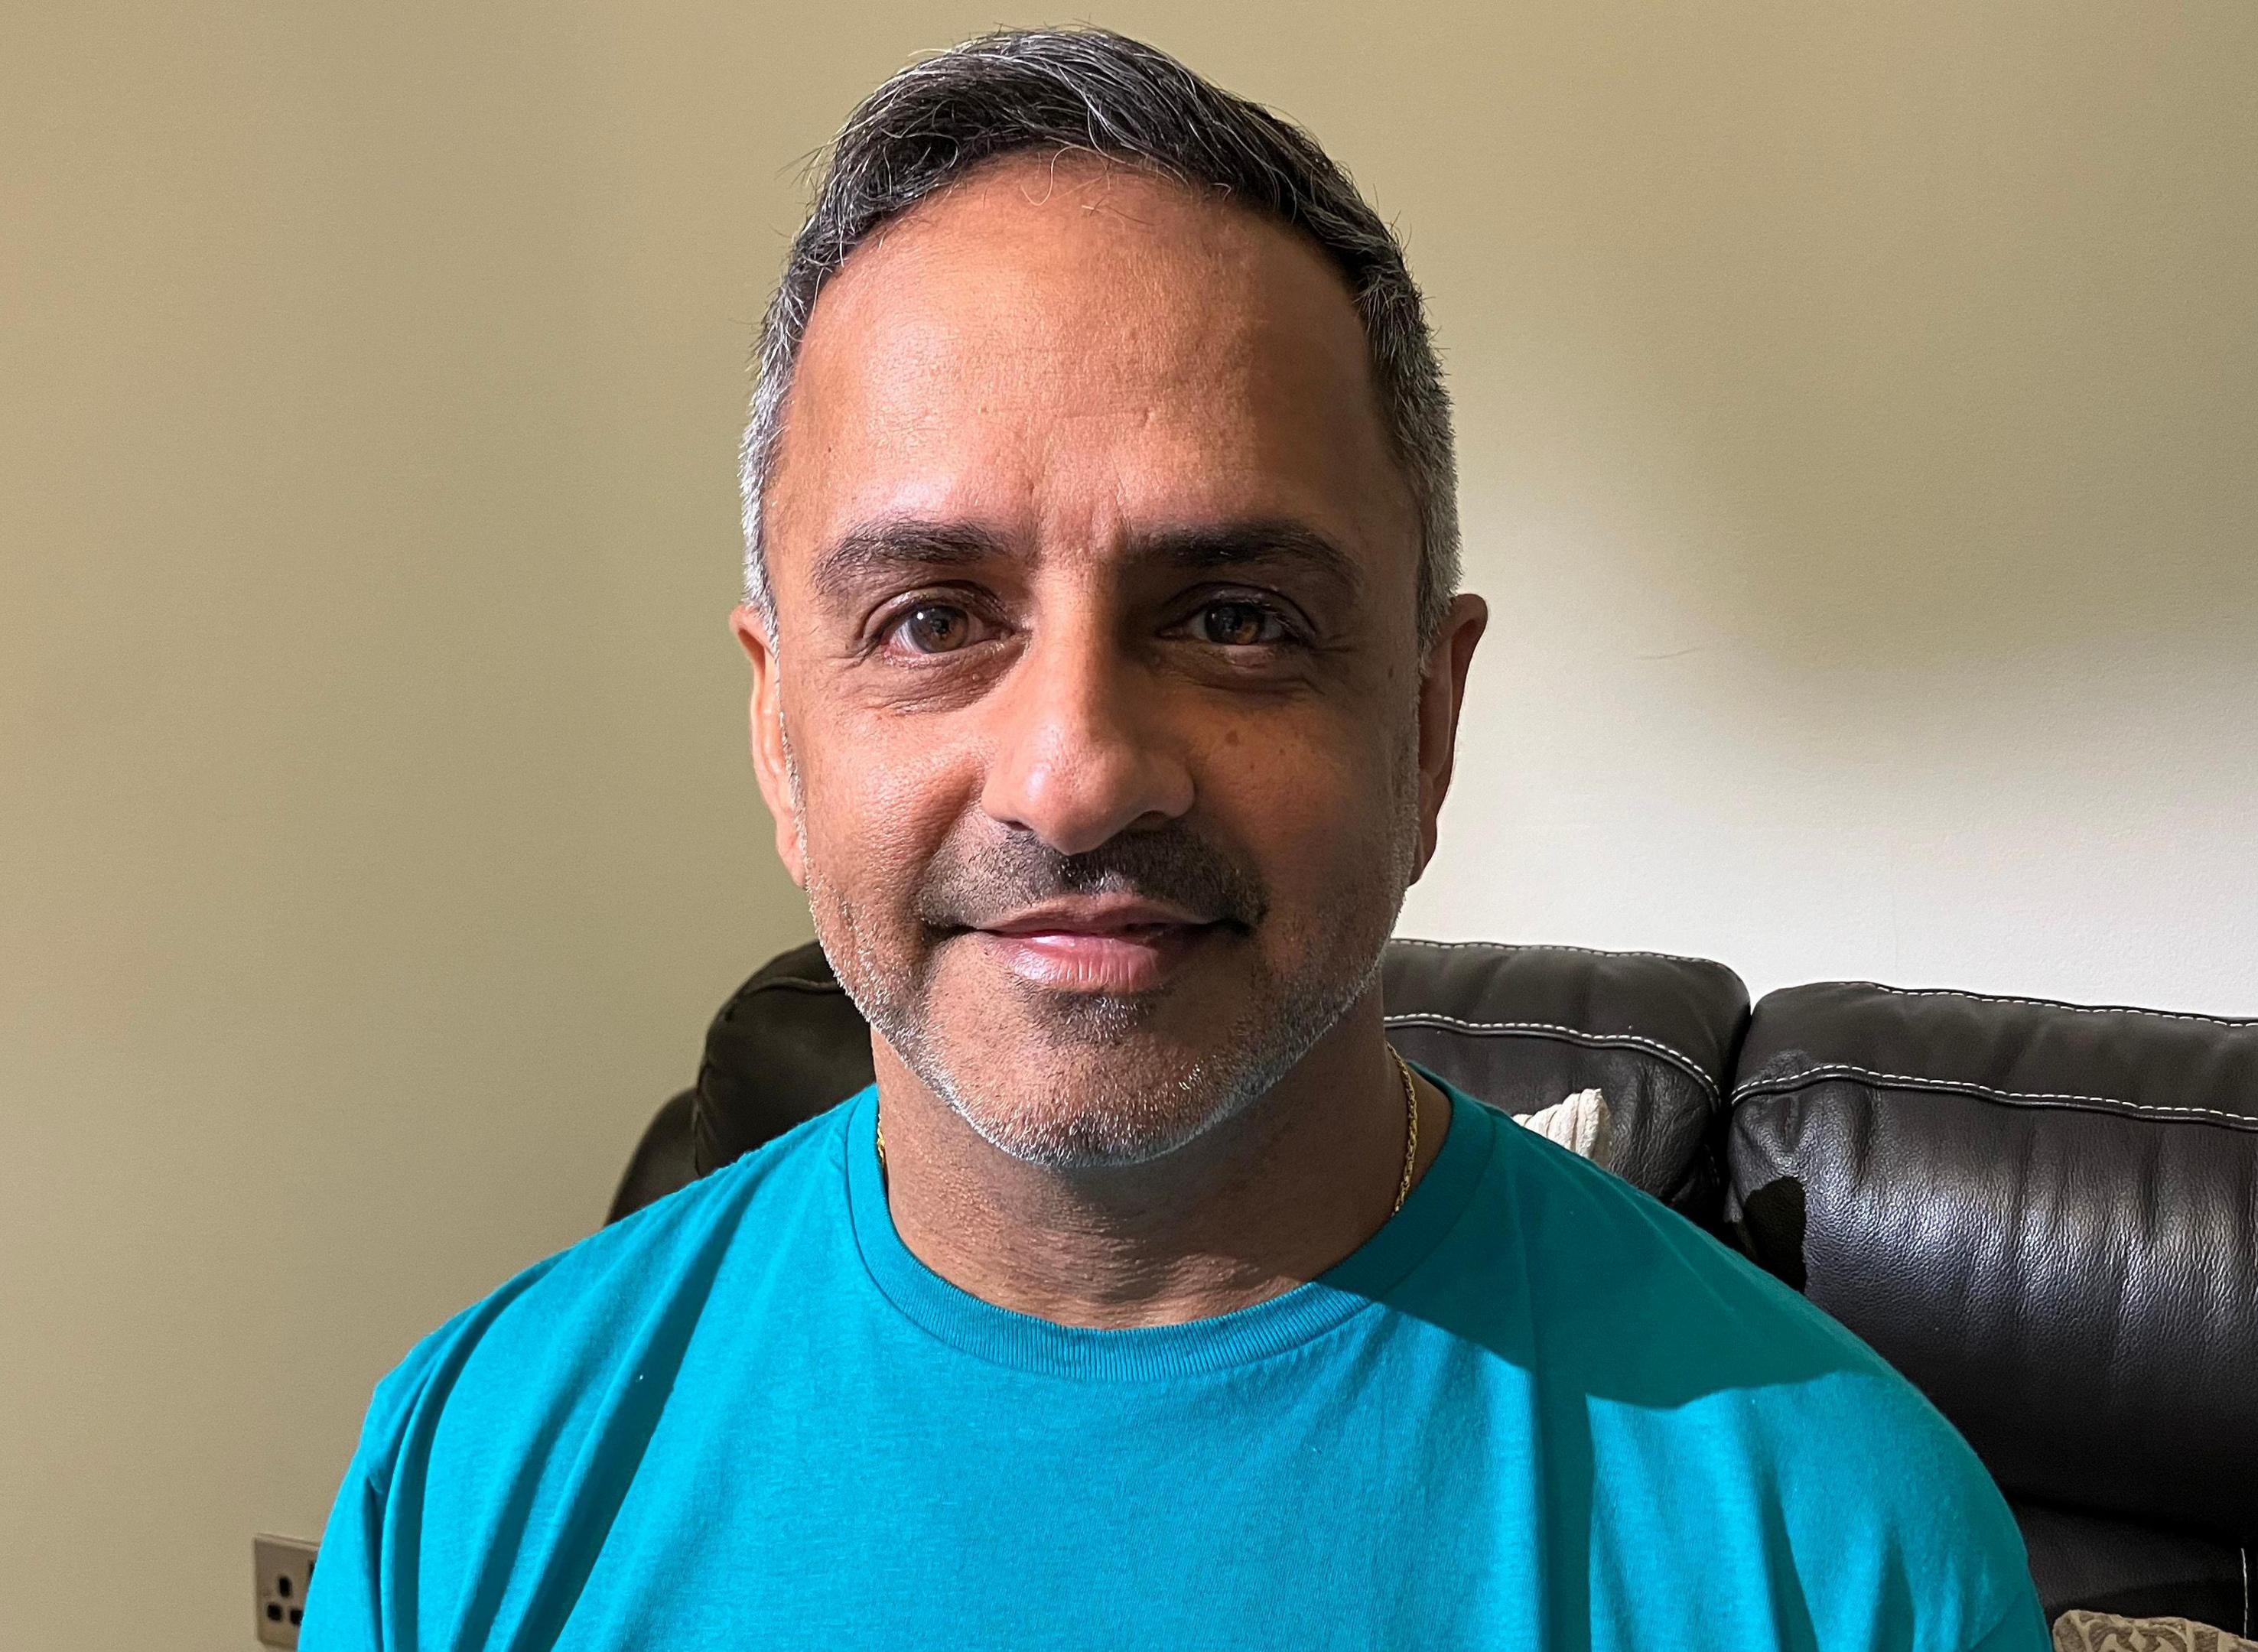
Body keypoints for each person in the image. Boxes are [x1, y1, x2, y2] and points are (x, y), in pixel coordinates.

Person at [303, 27, 2042, 1650]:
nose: (1075, 776)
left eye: (1233, 618)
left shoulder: (1839, 1555)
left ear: (1426, 726)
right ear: (780, 730)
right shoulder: (476, 1472)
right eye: (930, 618)